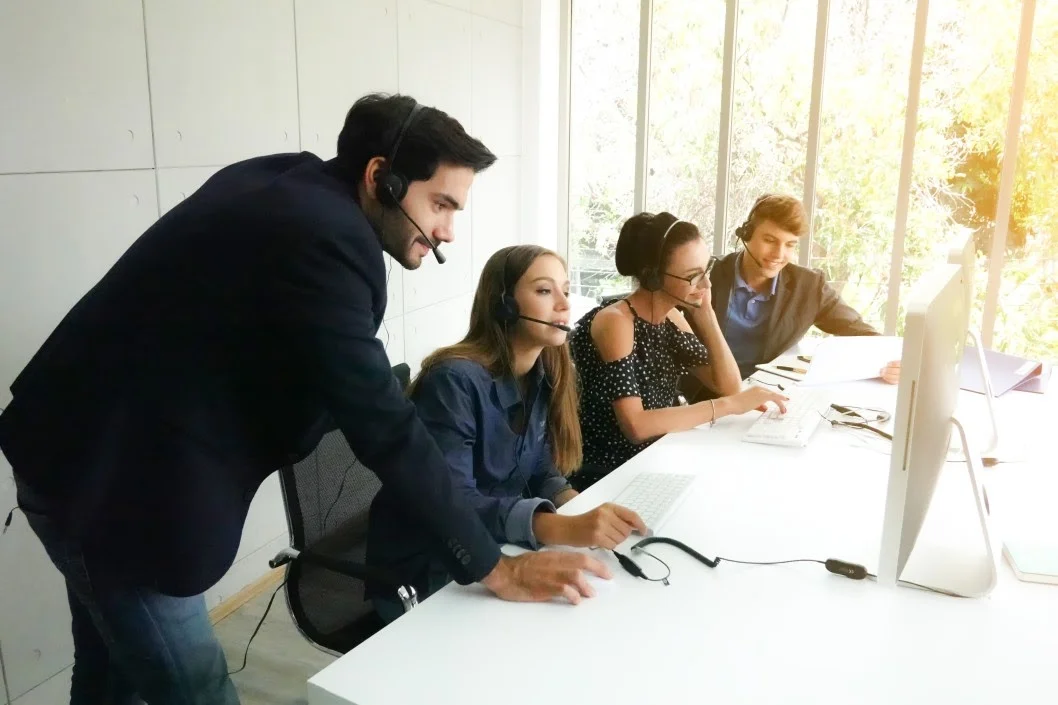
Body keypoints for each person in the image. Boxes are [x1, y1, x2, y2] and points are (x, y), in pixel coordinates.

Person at [0, 94, 606, 705]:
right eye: (441, 204)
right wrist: (494, 566)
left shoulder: (291, 183)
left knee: (109, 673)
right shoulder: (326, 239)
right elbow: (383, 425)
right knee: (196, 688)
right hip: (109, 487)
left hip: (80, 451)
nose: (448, 229)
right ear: (381, 178)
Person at [367, 245, 646, 620]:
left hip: (497, 552)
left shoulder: (544, 374)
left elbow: (542, 473)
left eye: (565, 289)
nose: (564, 304)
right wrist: (557, 527)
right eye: (545, 291)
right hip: (430, 571)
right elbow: (452, 502)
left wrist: (581, 512)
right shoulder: (453, 382)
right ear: (504, 304)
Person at [569, 213, 788, 489]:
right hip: (612, 473)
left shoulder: (671, 317)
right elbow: (636, 426)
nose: (706, 284)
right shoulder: (616, 322)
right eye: (693, 277)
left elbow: (729, 386)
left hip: (658, 458)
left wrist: (705, 313)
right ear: (652, 278)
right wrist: (727, 407)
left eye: (706, 270)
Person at [703, 194, 900, 385]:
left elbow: (862, 333)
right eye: (770, 240)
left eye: (789, 245)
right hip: (705, 394)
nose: (779, 254)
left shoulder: (808, 286)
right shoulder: (707, 274)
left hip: (769, 395)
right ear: (747, 234)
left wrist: (892, 365)